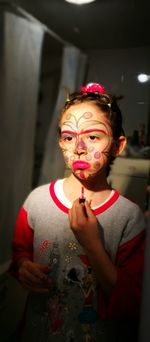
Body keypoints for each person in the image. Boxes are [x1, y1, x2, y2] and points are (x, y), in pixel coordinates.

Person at [11, 82, 145, 342]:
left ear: (117, 146)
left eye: (93, 136)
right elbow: (20, 254)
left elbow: (131, 301)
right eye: (68, 137)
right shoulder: (36, 201)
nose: (79, 147)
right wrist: (23, 266)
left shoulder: (130, 217)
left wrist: (93, 244)